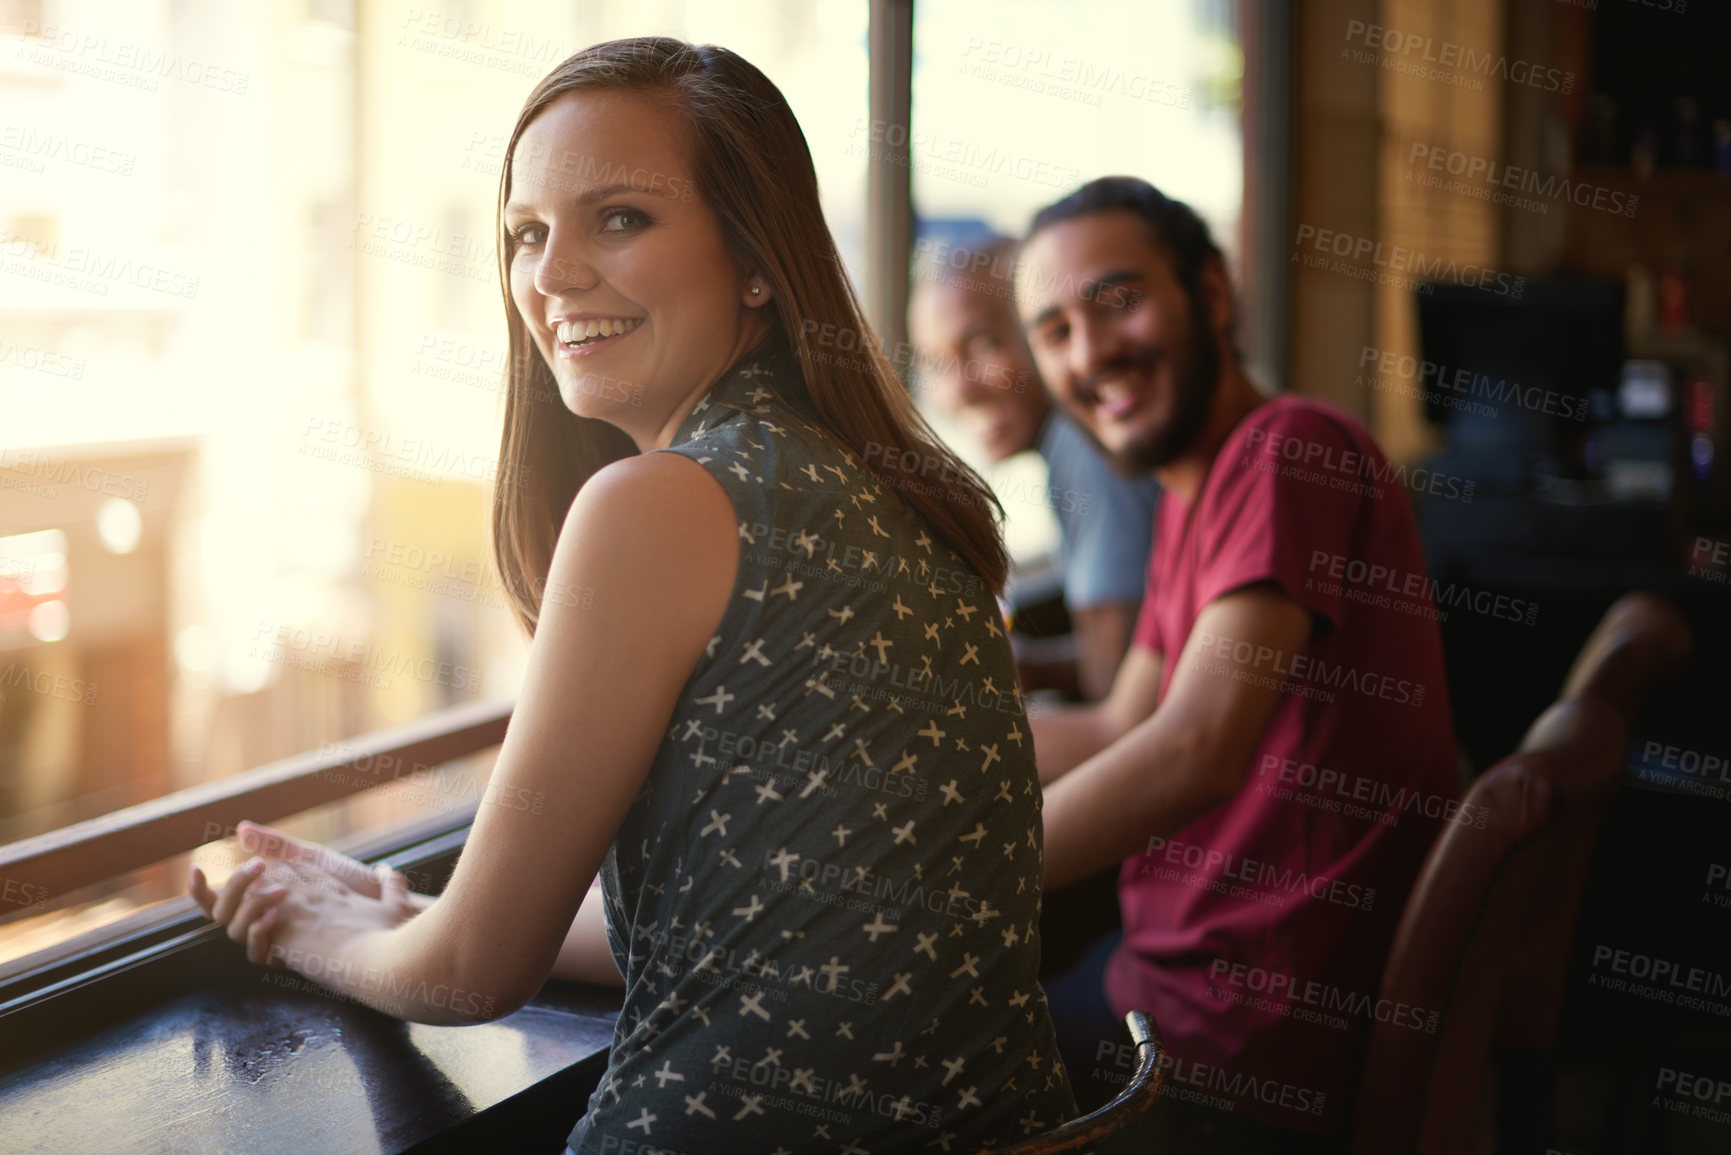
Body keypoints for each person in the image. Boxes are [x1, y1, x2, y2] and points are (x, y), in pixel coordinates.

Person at [189, 37, 1076, 1154]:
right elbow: (757, 917)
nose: (552, 274)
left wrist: (310, 928)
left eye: (620, 218)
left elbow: (472, 978)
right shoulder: (877, 483)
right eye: (525, 233)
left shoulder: (663, 502)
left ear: (757, 257)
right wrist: (411, 911)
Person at [1017, 177, 1459, 1153]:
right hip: (1176, 992)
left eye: (1118, 300)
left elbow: (1197, 750)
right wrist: (920, 733)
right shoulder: (1196, 489)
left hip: (1231, 1051)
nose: (1089, 354)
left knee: (862, 1068)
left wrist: (946, 872)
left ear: (1210, 294)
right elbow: (1124, 723)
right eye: (1053, 330)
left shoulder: (1287, 452)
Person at [909, 235, 1162, 703]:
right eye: (937, 363)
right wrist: (1024, 667)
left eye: (984, 344)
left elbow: (1117, 701)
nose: (959, 390)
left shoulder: (1086, 447)